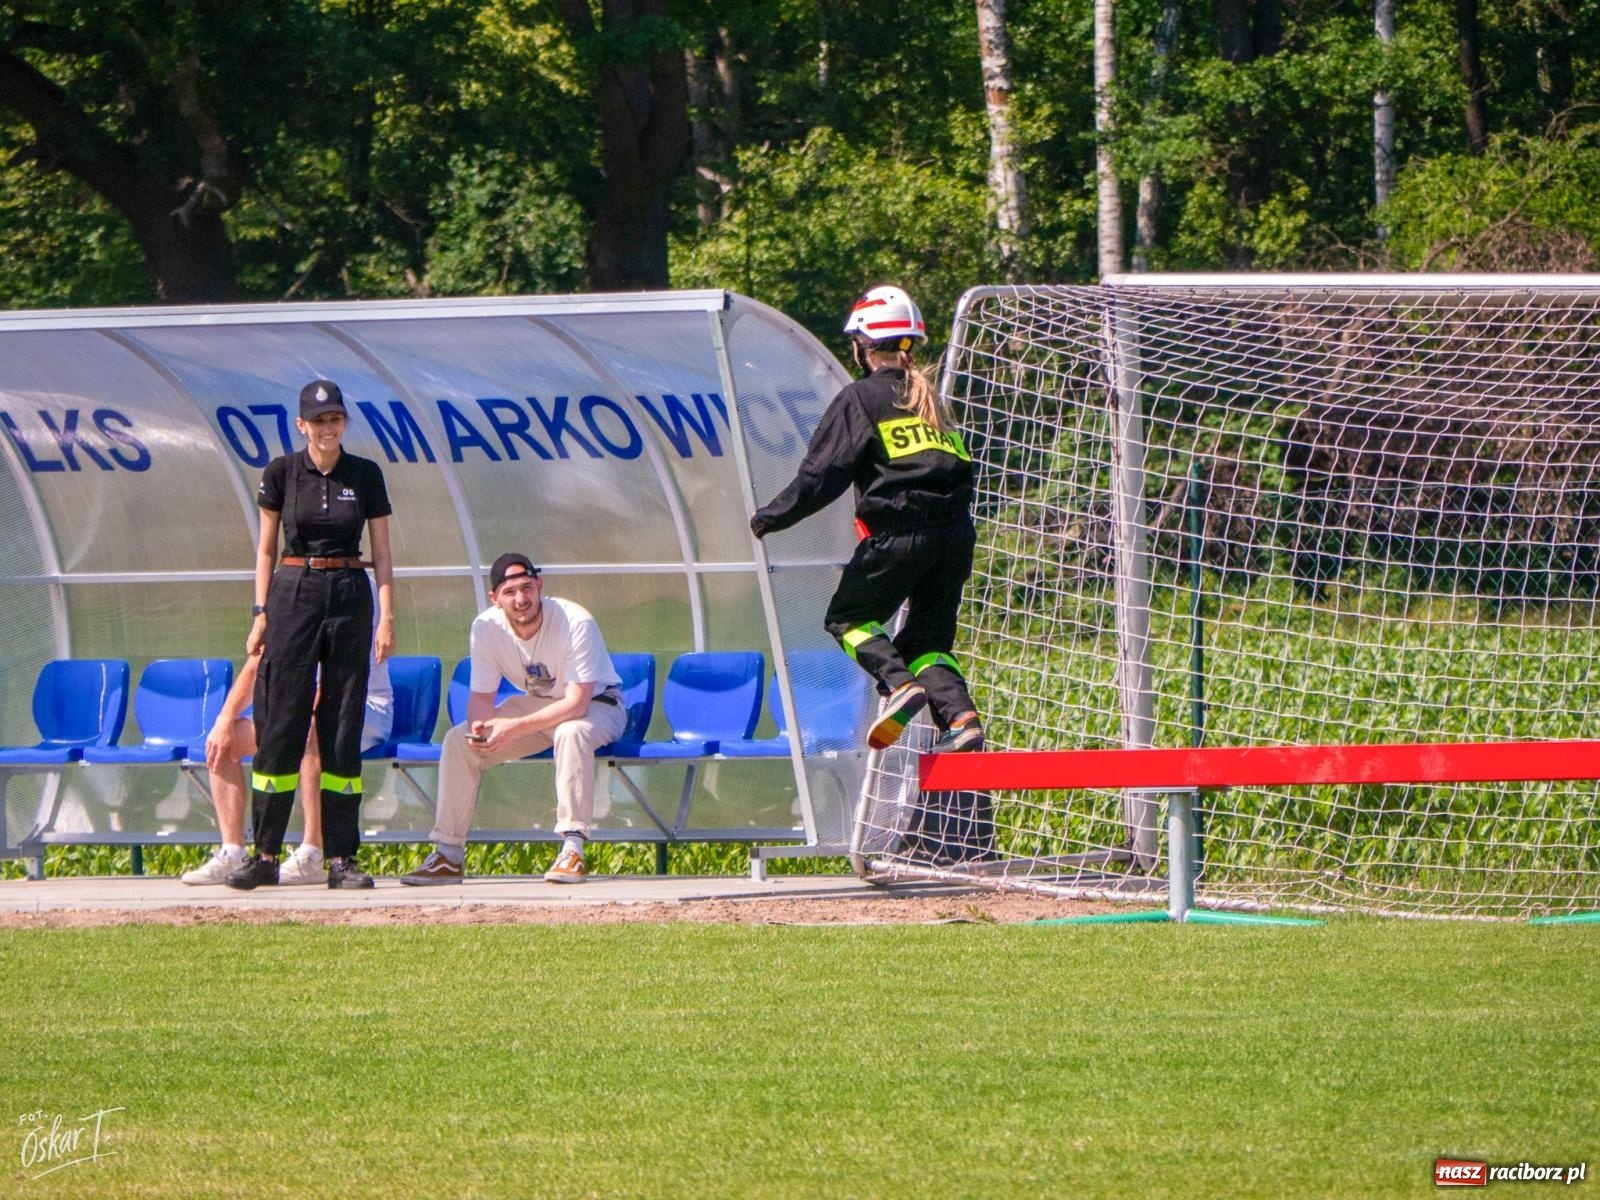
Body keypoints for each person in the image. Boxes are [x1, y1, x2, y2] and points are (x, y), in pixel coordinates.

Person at [748, 284, 985, 753]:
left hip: (900, 534)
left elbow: (822, 474)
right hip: (956, 537)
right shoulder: (931, 403)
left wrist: (769, 518)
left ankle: (900, 686)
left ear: (863, 344)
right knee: (928, 641)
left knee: (849, 617)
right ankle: (961, 719)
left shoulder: (860, 398)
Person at [225, 378, 395, 890]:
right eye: (318, 421)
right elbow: (265, 549)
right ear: (302, 425)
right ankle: (266, 855)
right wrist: (260, 612)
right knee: (280, 719)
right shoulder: (280, 473)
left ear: (344, 422)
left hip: (348, 590)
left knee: (342, 724)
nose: (328, 427)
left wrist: (386, 616)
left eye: (335, 419)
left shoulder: (365, 474)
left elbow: (382, 553)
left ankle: (341, 858)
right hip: (293, 591)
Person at [400, 553, 626, 886]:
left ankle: (573, 848)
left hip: (599, 706)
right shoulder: (486, 627)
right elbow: (480, 699)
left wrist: (512, 727)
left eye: (526, 588)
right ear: (495, 599)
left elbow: (577, 703)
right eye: (510, 592)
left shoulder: (575, 620)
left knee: (570, 732)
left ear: (540, 586)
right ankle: (448, 855)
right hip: (537, 707)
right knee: (459, 742)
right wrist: (482, 728)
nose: (521, 599)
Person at [179, 645, 394, 885]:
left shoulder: (350, 609)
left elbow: (337, 683)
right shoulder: (279, 610)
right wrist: (225, 719)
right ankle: (233, 854)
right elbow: (255, 666)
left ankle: (313, 855)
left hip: (361, 706)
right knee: (226, 741)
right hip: (298, 709)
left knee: (314, 730)